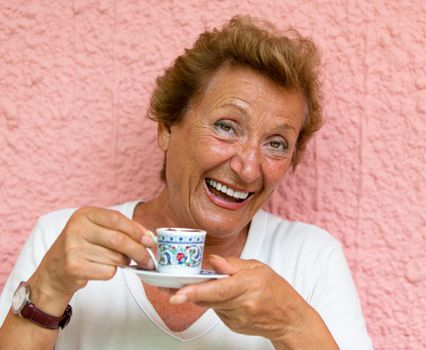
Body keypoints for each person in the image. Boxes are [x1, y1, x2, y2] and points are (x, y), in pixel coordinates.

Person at [0, 15, 373, 349]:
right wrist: (48, 288)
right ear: (167, 127)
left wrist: (293, 323)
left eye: (276, 144)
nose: (247, 168)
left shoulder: (311, 258)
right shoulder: (60, 239)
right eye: (226, 127)